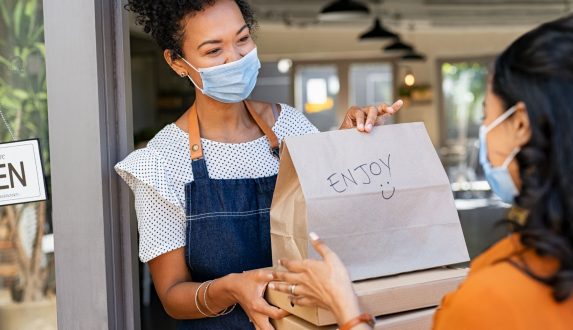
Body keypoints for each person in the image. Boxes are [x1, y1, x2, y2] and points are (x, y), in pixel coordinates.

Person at [270, 13, 573, 330]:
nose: (484, 128)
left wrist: (346, 307)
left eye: (487, 114)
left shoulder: (492, 300)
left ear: (520, 124)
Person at [116, 1, 403, 329]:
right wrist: (230, 289)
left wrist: (347, 142)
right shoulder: (161, 163)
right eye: (213, 51)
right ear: (177, 62)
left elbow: (330, 208)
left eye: (242, 40)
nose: (235, 59)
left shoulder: (290, 127)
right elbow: (171, 295)